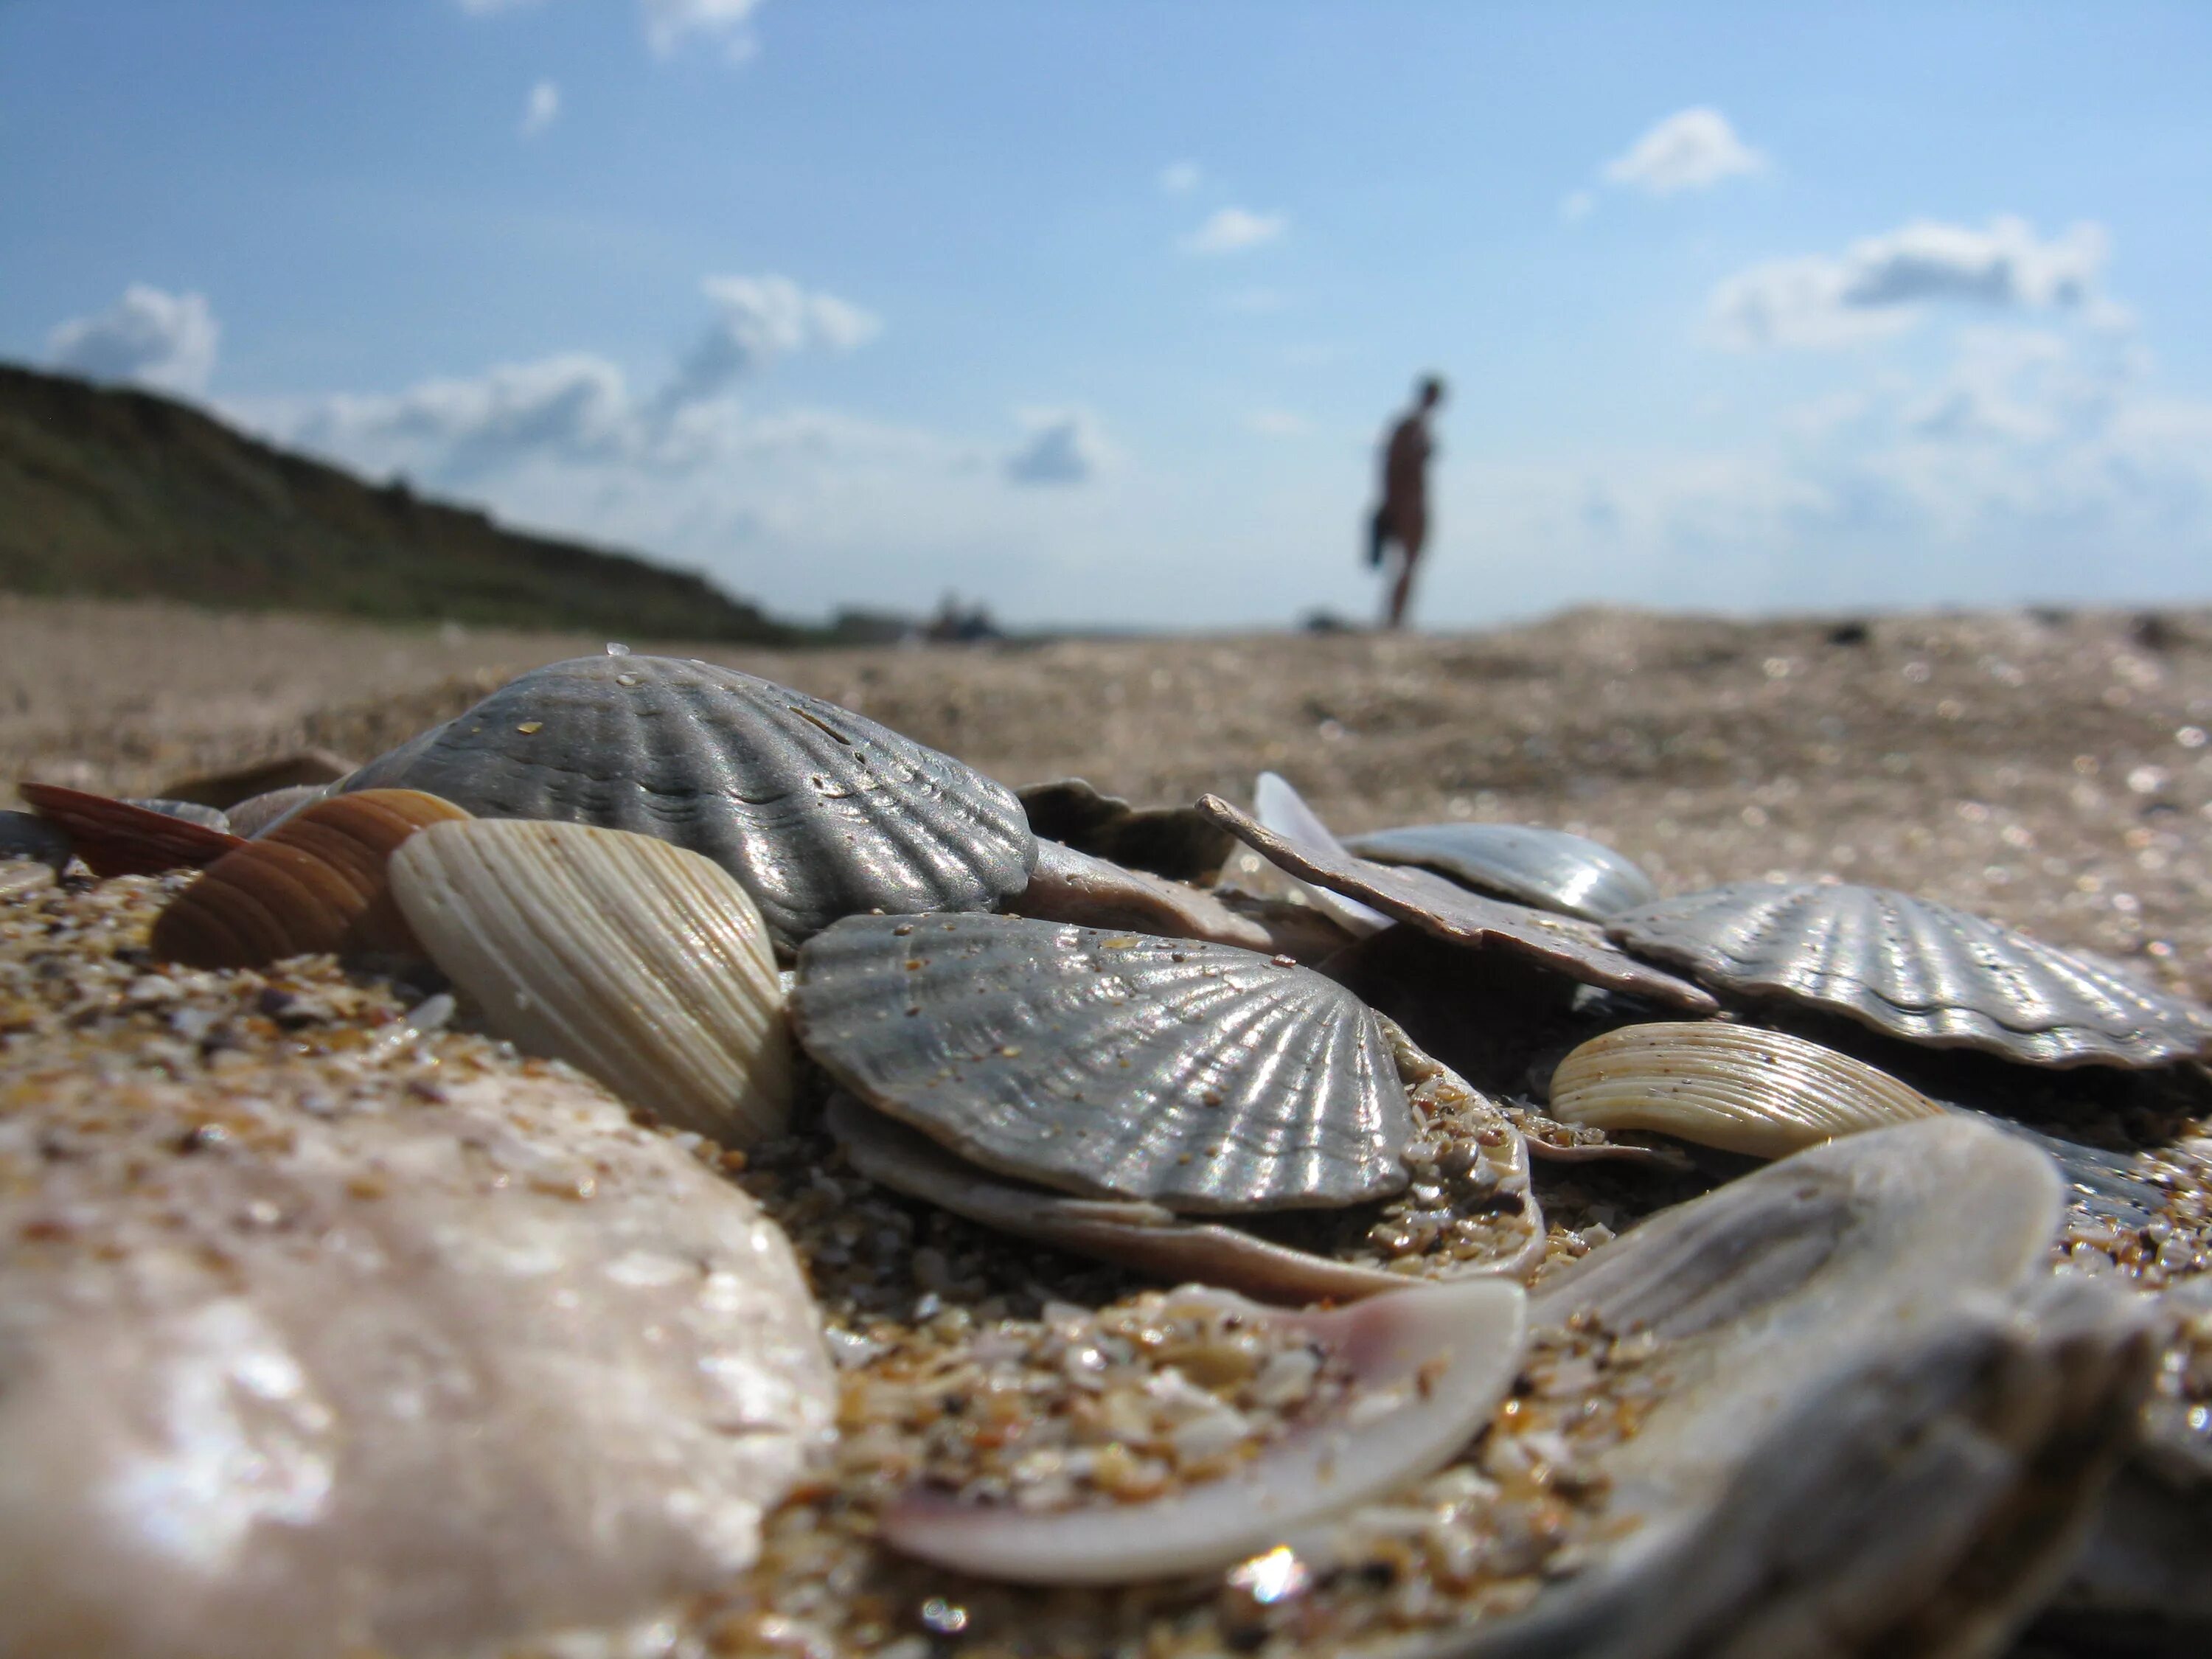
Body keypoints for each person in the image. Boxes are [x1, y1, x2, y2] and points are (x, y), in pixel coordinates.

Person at [1368, 375, 1445, 629]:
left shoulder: (1421, 426)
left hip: (1414, 501)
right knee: (1404, 564)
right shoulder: (1409, 426)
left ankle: (1396, 619)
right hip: (1406, 503)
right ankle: (1394, 620)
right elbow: (1390, 464)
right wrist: (1391, 502)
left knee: (1410, 565)